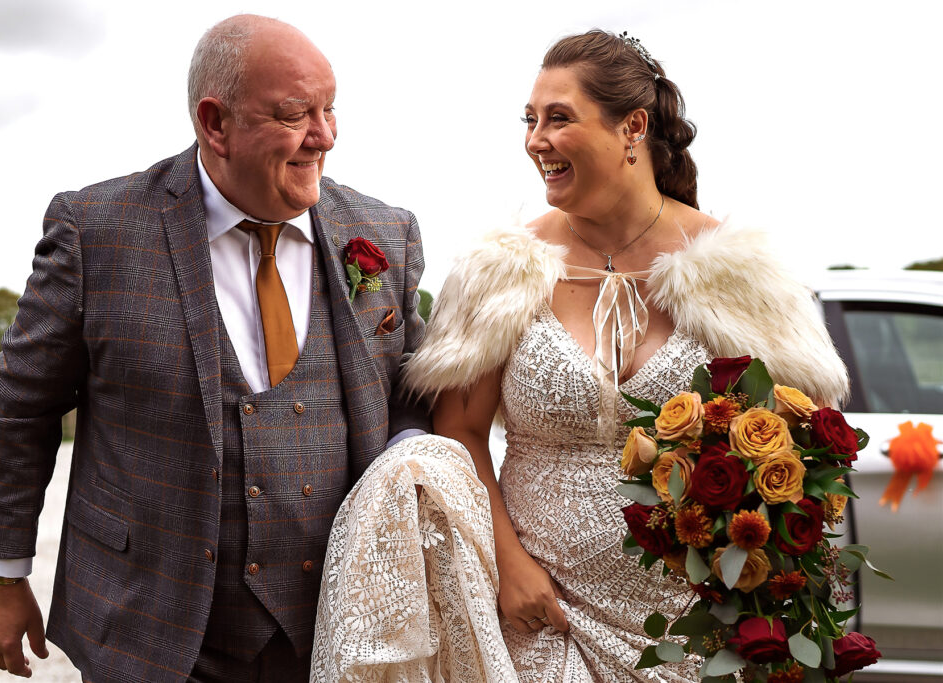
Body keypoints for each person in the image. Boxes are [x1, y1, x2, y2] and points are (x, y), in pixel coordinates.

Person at [313, 30, 849, 681]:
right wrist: (510, 565)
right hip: (540, 614)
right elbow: (459, 432)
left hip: (691, 627)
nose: (536, 139)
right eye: (530, 120)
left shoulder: (737, 270)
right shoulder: (502, 270)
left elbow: (800, 435)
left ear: (633, 128)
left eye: (558, 118)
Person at [0, 15, 428, 682]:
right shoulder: (97, 231)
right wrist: (3, 575)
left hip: (343, 630)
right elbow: (20, 413)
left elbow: (414, 400)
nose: (325, 135)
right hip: (153, 630)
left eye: (330, 109)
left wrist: (401, 480)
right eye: (296, 113)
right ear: (216, 124)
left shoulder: (387, 232)